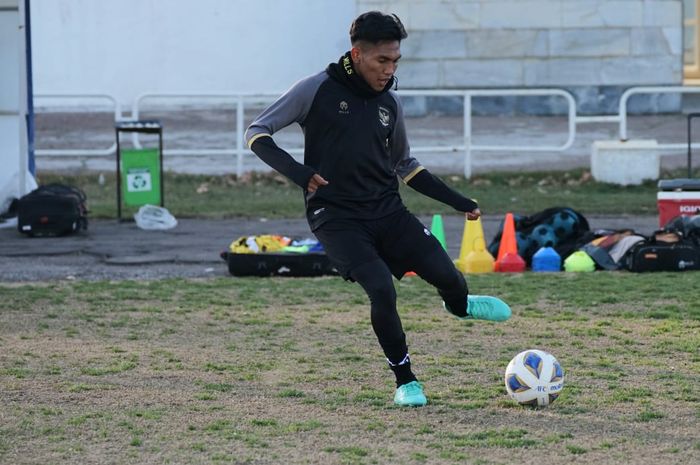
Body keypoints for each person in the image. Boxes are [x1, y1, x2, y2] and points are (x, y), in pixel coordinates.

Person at [245, 11, 511, 407]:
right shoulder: (315, 89)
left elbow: (405, 165)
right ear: (357, 53)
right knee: (382, 291)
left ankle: (460, 306)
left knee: (451, 280)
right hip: (336, 218)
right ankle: (406, 382)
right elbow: (257, 132)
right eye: (382, 61)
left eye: (395, 61)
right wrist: (300, 173)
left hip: (388, 212)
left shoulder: (390, 103)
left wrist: (459, 202)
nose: (389, 70)